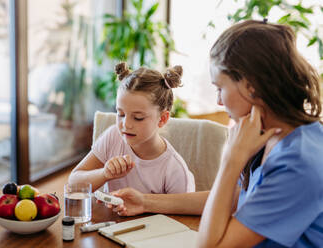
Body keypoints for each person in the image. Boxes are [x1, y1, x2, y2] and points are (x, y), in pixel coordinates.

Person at [110, 20, 323, 247]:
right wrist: (145, 202)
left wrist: (231, 161)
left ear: (251, 86)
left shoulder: (297, 163)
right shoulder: (272, 135)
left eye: (220, 88)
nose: (219, 101)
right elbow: (237, 199)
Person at [68, 62, 195, 194]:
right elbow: (73, 184)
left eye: (138, 118)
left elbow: (181, 212)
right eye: (121, 114)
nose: (126, 124)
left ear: (162, 119)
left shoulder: (174, 169)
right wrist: (105, 174)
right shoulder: (114, 136)